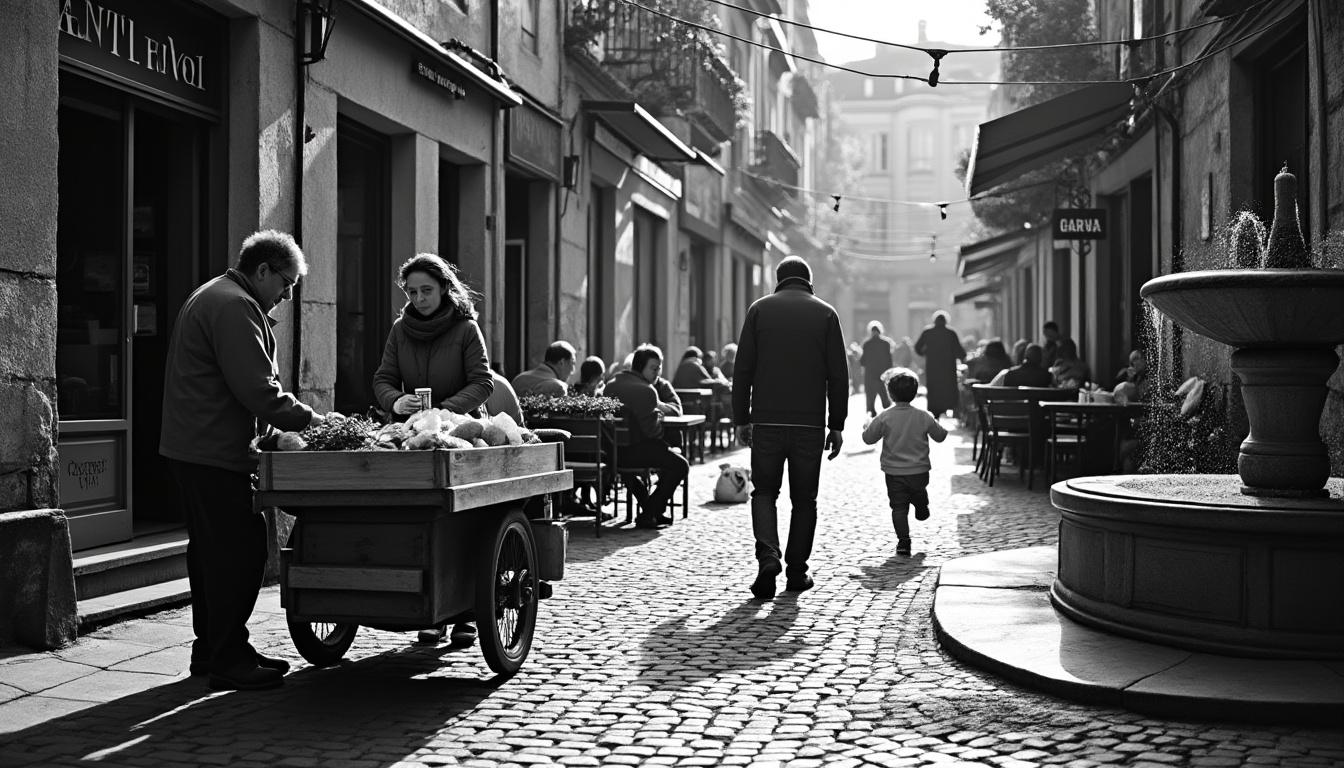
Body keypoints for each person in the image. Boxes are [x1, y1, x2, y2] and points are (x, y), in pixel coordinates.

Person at [160, 229, 323, 691]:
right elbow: (258, 390)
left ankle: (213, 651)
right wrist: (314, 422)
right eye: (286, 284)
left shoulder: (218, 294)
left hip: (196, 447)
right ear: (263, 270)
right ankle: (228, 656)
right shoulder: (235, 305)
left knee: (213, 553)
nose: (287, 295)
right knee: (240, 553)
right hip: (210, 451)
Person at [371, 252, 493, 648]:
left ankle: (465, 612)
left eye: (426, 290)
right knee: (420, 513)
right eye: (412, 291)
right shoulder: (399, 330)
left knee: (465, 515)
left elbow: (483, 381)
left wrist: (447, 408)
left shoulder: (466, 329)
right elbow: (383, 378)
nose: (419, 298)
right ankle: (430, 606)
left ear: (444, 288)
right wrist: (394, 402)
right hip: (414, 432)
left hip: (463, 429)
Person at [732, 256, 848, 600]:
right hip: (809, 424)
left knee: (764, 493)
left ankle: (768, 556)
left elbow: (743, 370)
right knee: (804, 499)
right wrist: (837, 424)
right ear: (808, 279)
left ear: (779, 278)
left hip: (766, 421)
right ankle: (797, 571)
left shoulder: (759, 310)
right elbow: (838, 375)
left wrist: (741, 417)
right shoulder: (826, 313)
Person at [861, 368, 948, 556]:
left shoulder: (884, 416)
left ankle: (903, 542)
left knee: (898, 507)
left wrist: (867, 426)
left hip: (894, 472)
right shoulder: (923, 415)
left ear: (890, 394)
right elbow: (940, 436)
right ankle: (921, 502)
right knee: (917, 491)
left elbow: (868, 439)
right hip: (919, 470)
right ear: (915, 393)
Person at [603, 344, 690, 528]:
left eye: (659, 368)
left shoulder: (611, 385)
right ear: (640, 367)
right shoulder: (647, 390)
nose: (658, 373)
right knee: (680, 465)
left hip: (613, 451)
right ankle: (650, 512)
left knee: (630, 472)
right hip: (636, 450)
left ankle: (651, 510)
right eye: (654, 368)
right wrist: (658, 417)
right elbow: (654, 433)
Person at [914, 311, 967, 419]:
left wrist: (925, 353)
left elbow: (917, 347)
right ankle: (949, 408)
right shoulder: (951, 333)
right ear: (946, 321)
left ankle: (935, 413)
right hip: (948, 368)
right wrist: (961, 358)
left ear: (934, 321)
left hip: (932, 368)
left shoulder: (927, 332)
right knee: (948, 389)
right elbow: (960, 352)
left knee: (934, 390)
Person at [512, 340, 577, 397]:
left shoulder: (519, 379)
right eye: (572, 363)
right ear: (561, 362)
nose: (573, 370)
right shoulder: (559, 387)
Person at [860, 321, 895, 417]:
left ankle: (871, 421)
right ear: (881, 331)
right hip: (883, 375)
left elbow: (862, 361)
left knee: (870, 401)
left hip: (870, 375)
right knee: (886, 400)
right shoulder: (886, 343)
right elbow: (889, 361)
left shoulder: (867, 344)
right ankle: (888, 416)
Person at [989, 343, 1055, 387]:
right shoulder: (1048, 377)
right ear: (1040, 359)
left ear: (1025, 357)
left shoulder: (1008, 374)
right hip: (1037, 408)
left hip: (1011, 408)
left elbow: (990, 389)